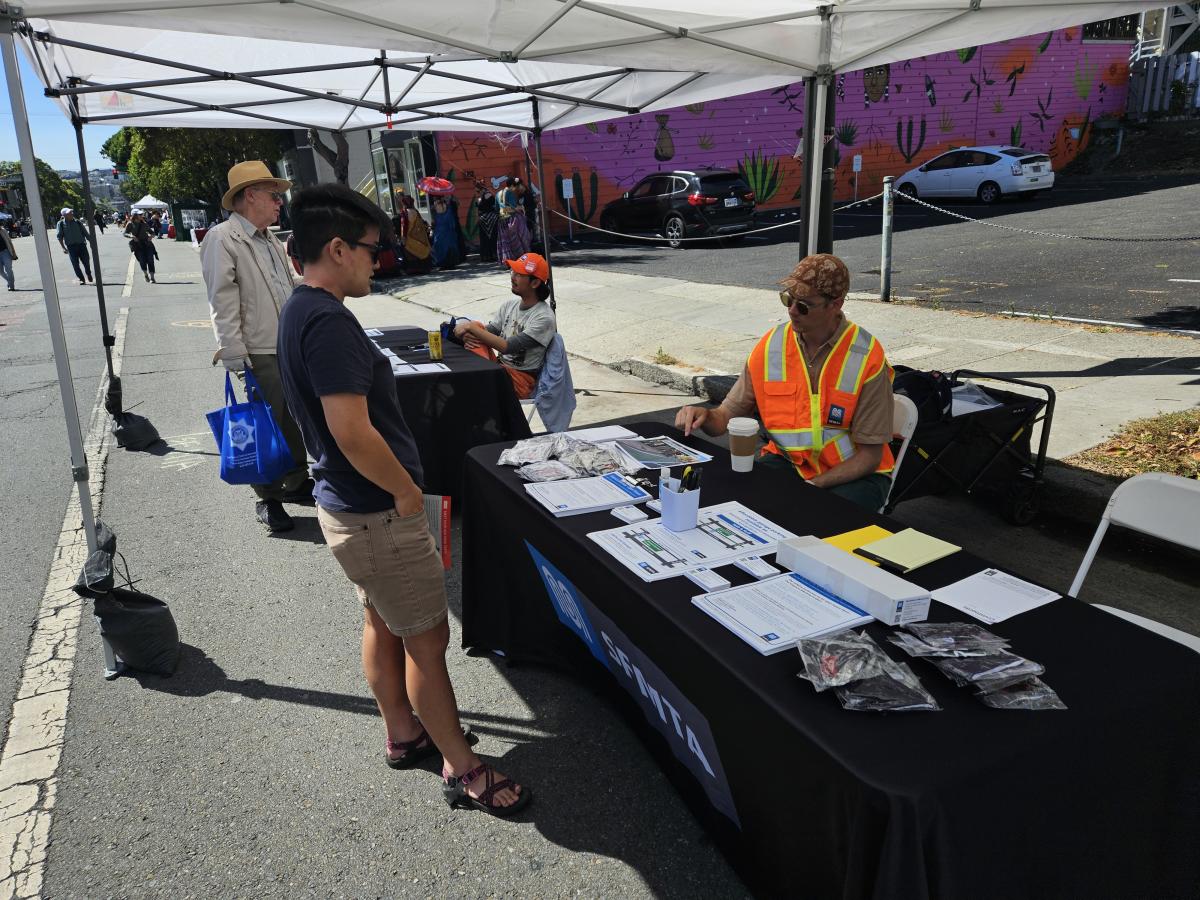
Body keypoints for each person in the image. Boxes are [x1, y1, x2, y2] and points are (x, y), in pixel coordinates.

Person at [276, 183, 530, 817]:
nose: (379, 260)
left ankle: (404, 732)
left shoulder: (301, 309)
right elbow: (351, 430)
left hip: (347, 507)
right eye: (370, 249)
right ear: (335, 249)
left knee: (385, 623)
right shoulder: (328, 321)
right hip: (375, 511)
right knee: (427, 640)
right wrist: (406, 491)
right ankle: (463, 767)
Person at [675, 254, 896, 511]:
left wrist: (814, 485)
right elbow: (725, 417)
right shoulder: (772, 347)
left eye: (803, 305)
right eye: (787, 299)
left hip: (856, 476)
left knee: (816, 519)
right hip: (788, 464)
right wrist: (703, 416)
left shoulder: (865, 355)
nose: (791, 310)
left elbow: (870, 457)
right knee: (737, 503)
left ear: (835, 305)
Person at [200, 160, 313, 533]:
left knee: (296, 420)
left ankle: (297, 483)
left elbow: (289, 284)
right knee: (267, 424)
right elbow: (222, 299)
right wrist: (233, 350)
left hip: (286, 344)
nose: (280, 202)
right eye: (273, 195)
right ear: (250, 196)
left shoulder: (269, 238)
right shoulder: (222, 238)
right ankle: (268, 497)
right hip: (258, 349)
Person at [454, 251, 556, 400]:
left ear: (535, 283)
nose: (512, 276)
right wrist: (464, 332)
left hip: (520, 380)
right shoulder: (509, 305)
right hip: (499, 369)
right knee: (476, 328)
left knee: (474, 329)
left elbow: (506, 346)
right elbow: (488, 331)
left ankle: (479, 380)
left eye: (519, 274)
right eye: (512, 271)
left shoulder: (544, 317)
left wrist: (470, 328)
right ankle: (479, 379)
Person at [495, 175, 530, 263]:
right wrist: (521, 207)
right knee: (518, 238)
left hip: (501, 220)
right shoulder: (510, 193)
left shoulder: (497, 193)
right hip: (511, 220)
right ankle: (520, 259)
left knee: (505, 241)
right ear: (511, 186)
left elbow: (496, 208)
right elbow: (513, 207)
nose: (515, 189)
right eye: (515, 186)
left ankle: (507, 260)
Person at [55, 208, 93, 286]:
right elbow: (60, 237)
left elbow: (85, 233)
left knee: (86, 261)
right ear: (65, 215)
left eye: (71, 212)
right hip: (71, 247)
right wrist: (63, 248)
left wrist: (91, 243)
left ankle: (88, 273)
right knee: (75, 264)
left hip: (82, 245)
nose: (72, 214)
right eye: (69, 213)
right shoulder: (61, 224)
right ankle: (81, 279)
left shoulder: (77, 222)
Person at [397, 194, 432, 275]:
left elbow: (404, 226)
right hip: (418, 237)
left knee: (410, 252)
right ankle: (422, 268)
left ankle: (413, 269)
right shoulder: (416, 211)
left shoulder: (405, 213)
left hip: (409, 236)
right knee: (420, 251)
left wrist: (403, 237)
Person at [123, 210, 158, 282]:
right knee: (142, 261)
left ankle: (152, 277)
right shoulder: (130, 224)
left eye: (141, 214)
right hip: (138, 246)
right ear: (135, 216)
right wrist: (131, 236)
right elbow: (125, 233)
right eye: (140, 214)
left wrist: (151, 236)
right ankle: (145, 274)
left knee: (150, 260)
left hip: (147, 244)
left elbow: (152, 232)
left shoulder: (144, 223)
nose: (142, 215)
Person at [430, 196, 461, 269]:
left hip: (446, 232)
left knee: (447, 247)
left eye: (437, 205)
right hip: (440, 232)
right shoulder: (437, 214)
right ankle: (444, 263)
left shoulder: (448, 211)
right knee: (440, 247)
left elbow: (452, 224)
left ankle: (448, 264)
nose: (436, 207)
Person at [474, 178, 498, 262]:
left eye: (477, 190)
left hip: (490, 218)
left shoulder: (487, 194)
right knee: (485, 238)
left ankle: (493, 254)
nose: (476, 191)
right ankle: (487, 255)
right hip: (484, 220)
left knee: (492, 237)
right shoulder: (481, 196)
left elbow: (491, 205)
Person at [0, 221, 17, 291]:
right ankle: (9, 281)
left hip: (5, 252)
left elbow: (9, 242)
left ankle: (11, 286)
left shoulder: (3, 230)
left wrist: (13, 253)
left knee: (8, 270)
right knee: (1, 272)